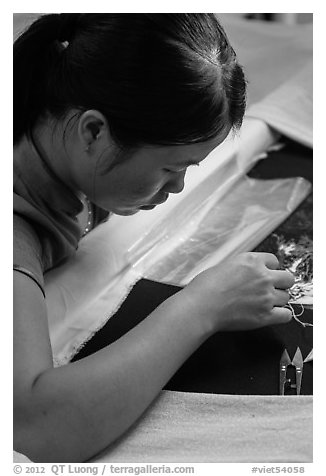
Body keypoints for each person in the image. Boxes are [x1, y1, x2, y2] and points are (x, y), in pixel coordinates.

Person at [13, 13, 294, 463]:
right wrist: (202, 307)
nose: (179, 186)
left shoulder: (55, 141)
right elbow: (32, 425)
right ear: (93, 131)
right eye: (170, 167)